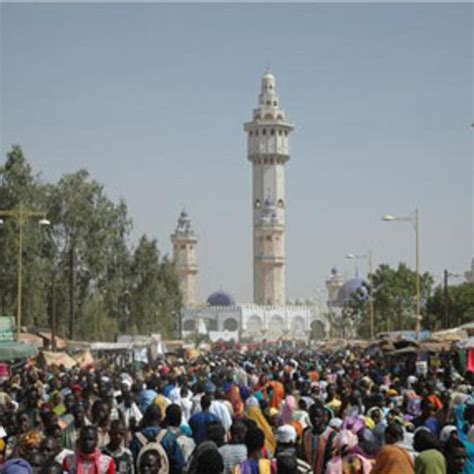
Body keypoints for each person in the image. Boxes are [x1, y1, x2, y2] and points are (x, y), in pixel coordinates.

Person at [130, 404, 185, 474]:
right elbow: (179, 464)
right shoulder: (169, 438)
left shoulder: (137, 439)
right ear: (161, 418)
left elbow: (132, 464)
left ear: (146, 418)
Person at [300, 401, 335, 474]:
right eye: (312, 416)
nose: (315, 419)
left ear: (324, 417)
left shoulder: (331, 434)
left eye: (318, 416)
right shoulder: (306, 433)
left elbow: (331, 458)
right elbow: (303, 455)